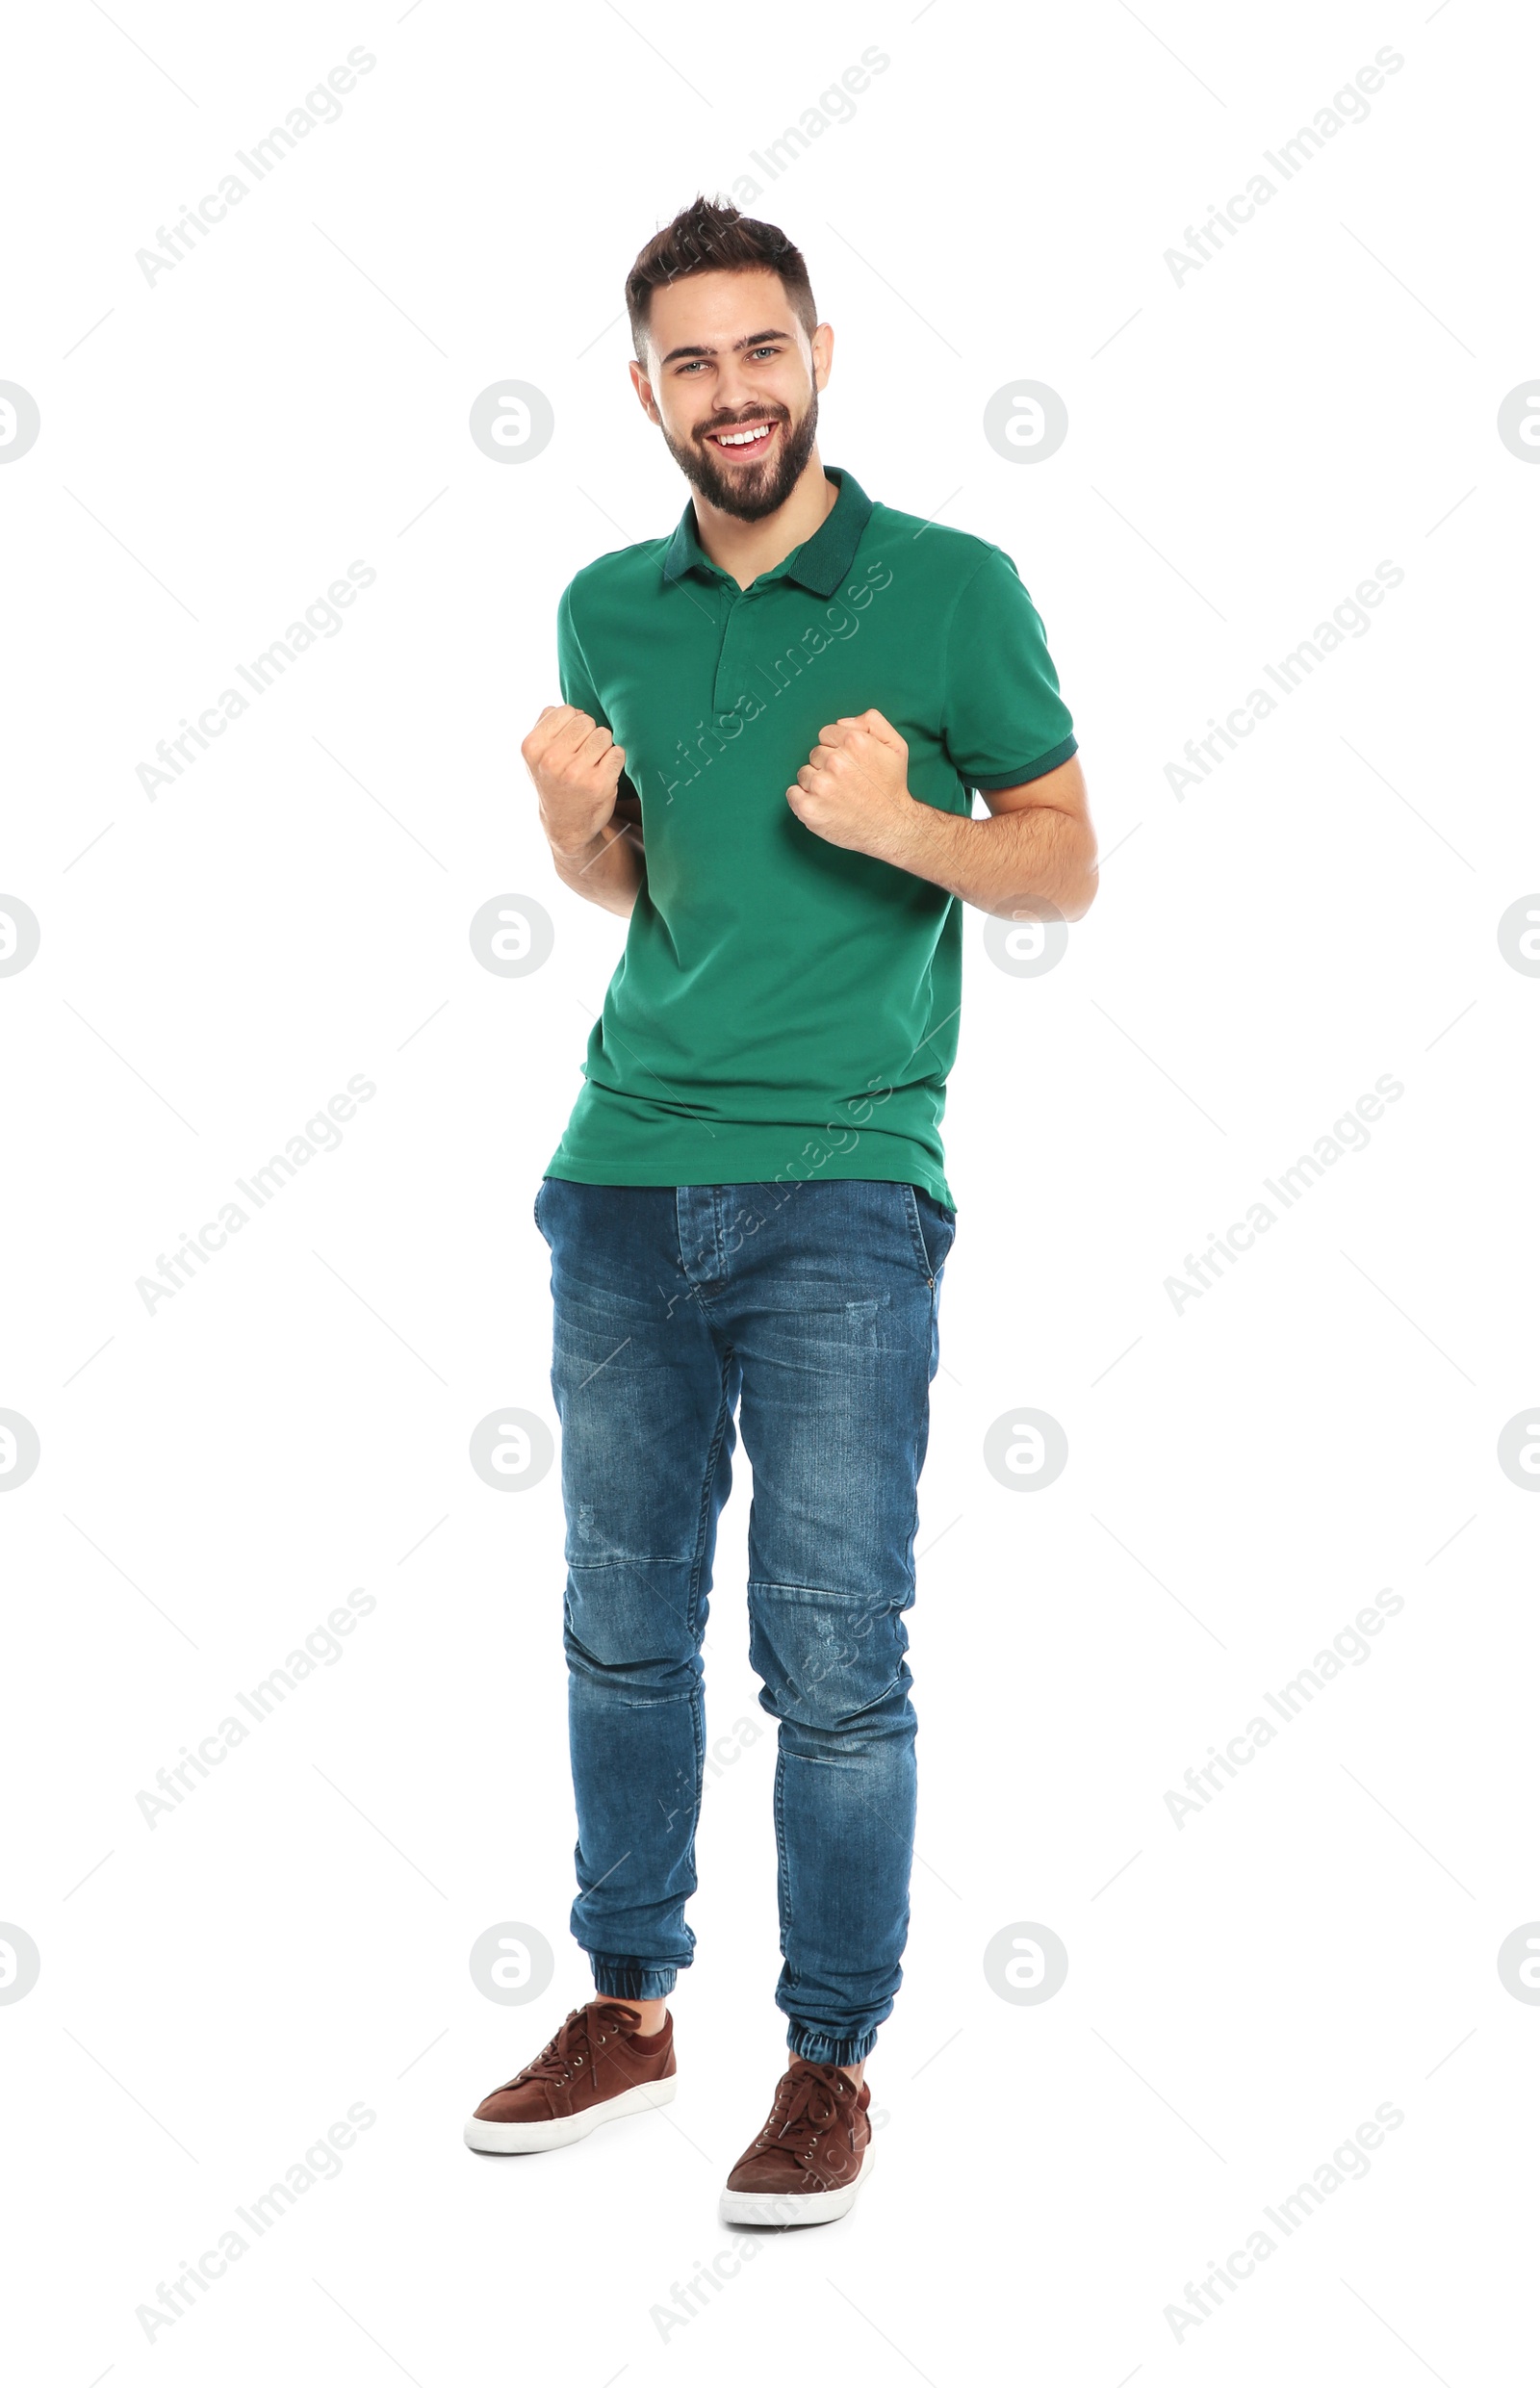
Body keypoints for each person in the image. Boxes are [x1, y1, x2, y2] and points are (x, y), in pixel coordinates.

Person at [465, 196, 1097, 2224]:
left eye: (760, 352)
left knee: (828, 1646)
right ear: (641, 386)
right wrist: (579, 828)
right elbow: (638, 889)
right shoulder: (607, 608)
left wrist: (907, 822)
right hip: (620, 1175)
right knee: (617, 1628)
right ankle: (628, 2006)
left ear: (816, 353)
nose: (728, 394)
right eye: (686, 363)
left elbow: (1063, 857)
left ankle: (826, 2057)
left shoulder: (945, 586)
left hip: (840, 1183)